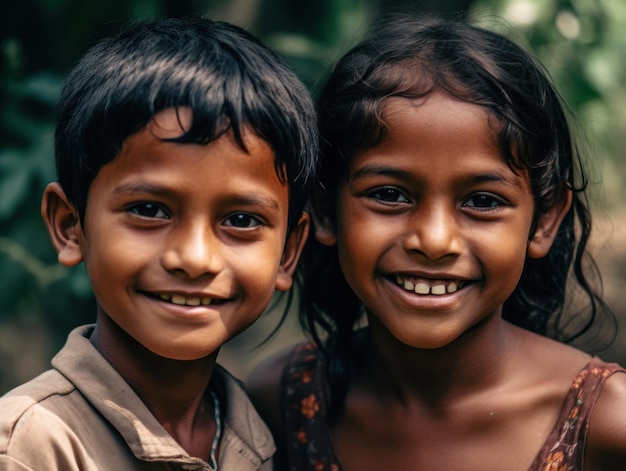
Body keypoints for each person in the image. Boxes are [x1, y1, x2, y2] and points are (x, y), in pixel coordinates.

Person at [247, 15, 626, 471]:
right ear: (327, 210)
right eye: (389, 195)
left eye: (483, 201)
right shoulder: (286, 401)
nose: (434, 240)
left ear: (544, 220)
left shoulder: (606, 424)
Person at [0, 16, 317, 470]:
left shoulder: (265, 438)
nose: (194, 258)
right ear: (71, 226)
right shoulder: (31, 448)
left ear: (288, 252)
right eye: (149, 210)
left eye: (241, 220)